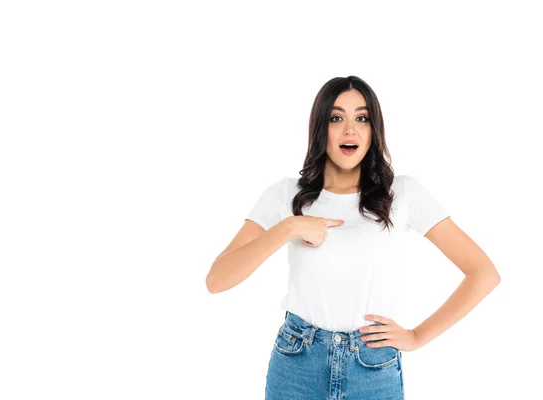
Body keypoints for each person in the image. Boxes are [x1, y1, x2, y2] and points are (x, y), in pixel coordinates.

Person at [205, 75, 501, 400]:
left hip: (372, 369)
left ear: (373, 130)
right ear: (321, 128)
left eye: (362, 118)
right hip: (297, 366)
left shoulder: (402, 194)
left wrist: (416, 336)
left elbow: (483, 273)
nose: (350, 130)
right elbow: (217, 279)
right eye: (336, 118)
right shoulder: (285, 195)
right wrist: (288, 228)